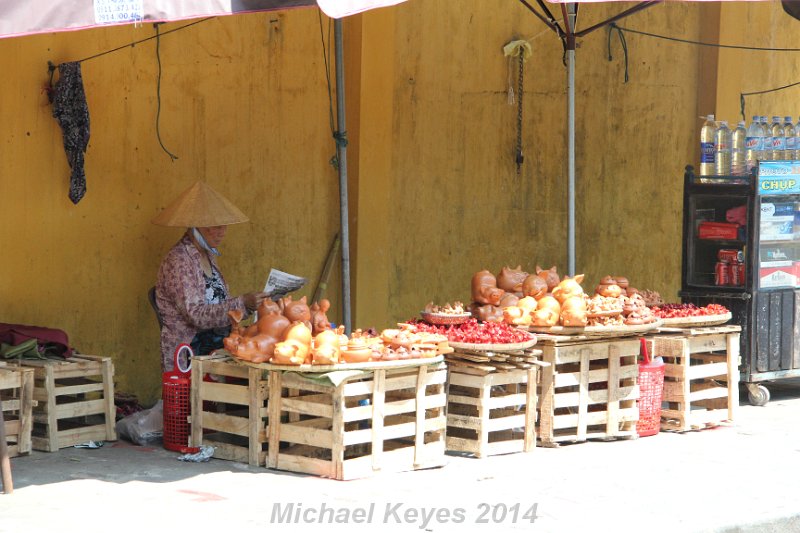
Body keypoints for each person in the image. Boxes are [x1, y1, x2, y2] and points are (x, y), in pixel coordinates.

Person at [152, 181, 268, 371]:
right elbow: (196, 315)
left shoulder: (208, 255)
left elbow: (219, 303)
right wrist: (242, 303)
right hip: (190, 352)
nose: (222, 232)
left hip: (216, 343)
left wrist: (249, 306)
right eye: (214, 226)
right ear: (194, 227)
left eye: (224, 226)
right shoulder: (179, 261)